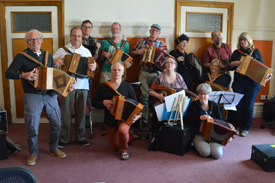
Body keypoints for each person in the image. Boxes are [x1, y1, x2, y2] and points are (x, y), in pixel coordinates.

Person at [5, 29, 69, 166]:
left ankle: (53, 148)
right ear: (27, 42)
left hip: (50, 95)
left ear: (41, 40)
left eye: (37, 39)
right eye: (31, 40)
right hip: (32, 96)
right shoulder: (21, 56)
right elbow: (8, 73)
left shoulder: (48, 55)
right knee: (32, 127)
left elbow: (54, 75)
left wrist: (66, 86)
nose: (35, 41)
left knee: (57, 124)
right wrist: (23, 75)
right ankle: (33, 153)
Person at [53, 26, 97, 148]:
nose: (76, 38)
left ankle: (80, 137)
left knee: (81, 112)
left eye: (79, 36)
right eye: (74, 35)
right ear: (70, 36)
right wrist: (56, 60)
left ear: (82, 38)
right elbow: (50, 61)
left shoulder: (86, 52)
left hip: (83, 85)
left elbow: (92, 68)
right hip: (67, 85)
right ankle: (64, 138)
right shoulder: (63, 50)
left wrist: (94, 67)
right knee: (66, 113)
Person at [92, 62, 141, 160]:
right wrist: (103, 102)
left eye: (119, 70)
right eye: (114, 70)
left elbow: (136, 104)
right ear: (110, 72)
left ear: (123, 72)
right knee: (114, 148)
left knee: (122, 131)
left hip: (124, 118)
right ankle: (130, 135)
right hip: (110, 119)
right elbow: (94, 102)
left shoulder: (128, 87)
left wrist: (138, 115)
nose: (116, 72)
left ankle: (124, 150)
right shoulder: (103, 86)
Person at [227, 32, 271, 137]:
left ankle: (245, 128)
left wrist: (267, 75)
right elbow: (230, 67)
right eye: (241, 40)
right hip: (239, 82)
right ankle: (237, 126)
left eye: (245, 40)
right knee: (239, 105)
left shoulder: (256, 52)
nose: (243, 42)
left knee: (248, 106)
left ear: (249, 41)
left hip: (252, 83)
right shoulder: (236, 53)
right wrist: (233, 63)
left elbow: (262, 69)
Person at [131, 24, 167, 126]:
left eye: (156, 30)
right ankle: (145, 120)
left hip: (157, 74)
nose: (154, 32)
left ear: (159, 33)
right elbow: (132, 53)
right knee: (144, 96)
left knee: (158, 97)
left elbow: (164, 61)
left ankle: (156, 119)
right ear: (150, 31)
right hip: (144, 72)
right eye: (152, 30)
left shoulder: (162, 45)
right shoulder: (142, 41)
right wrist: (139, 52)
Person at [148, 56, 188, 133]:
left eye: (172, 62)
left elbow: (185, 91)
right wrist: (159, 96)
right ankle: (157, 133)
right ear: (165, 65)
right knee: (157, 111)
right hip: (162, 102)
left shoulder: (179, 77)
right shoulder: (160, 77)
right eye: (167, 62)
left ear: (175, 65)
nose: (169, 64)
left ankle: (176, 133)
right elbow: (150, 91)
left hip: (176, 103)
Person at [184, 83, 224, 159]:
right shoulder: (194, 105)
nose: (202, 96)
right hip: (198, 134)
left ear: (209, 95)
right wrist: (200, 118)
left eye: (205, 94)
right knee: (205, 153)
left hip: (213, 134)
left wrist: (227, 135)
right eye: (200, 94)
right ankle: (202, 144)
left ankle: (210, 145)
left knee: (217, 154)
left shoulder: (214, 105)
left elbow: (221, 121)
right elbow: (187, 120)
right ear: (198, 95)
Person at [81, 20, 101, 95]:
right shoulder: (77, 39)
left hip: (89, 68)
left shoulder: (94, 41)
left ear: (91, 29)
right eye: (85, 27)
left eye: (89, 27)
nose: (87, 29)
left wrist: (97, 49)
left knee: (88, 91)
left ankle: (87, 105)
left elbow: (95, 58)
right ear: (81, 28)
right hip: (78, 66)